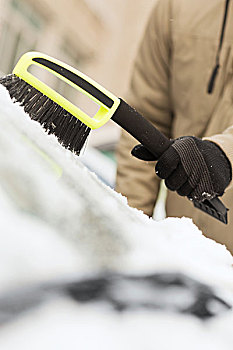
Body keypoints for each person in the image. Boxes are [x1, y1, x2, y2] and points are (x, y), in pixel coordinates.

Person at [115, 0, 233, 254]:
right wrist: (129, 233)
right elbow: (146, 121)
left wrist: (225, 154)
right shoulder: (177, 7)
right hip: (183, 253)